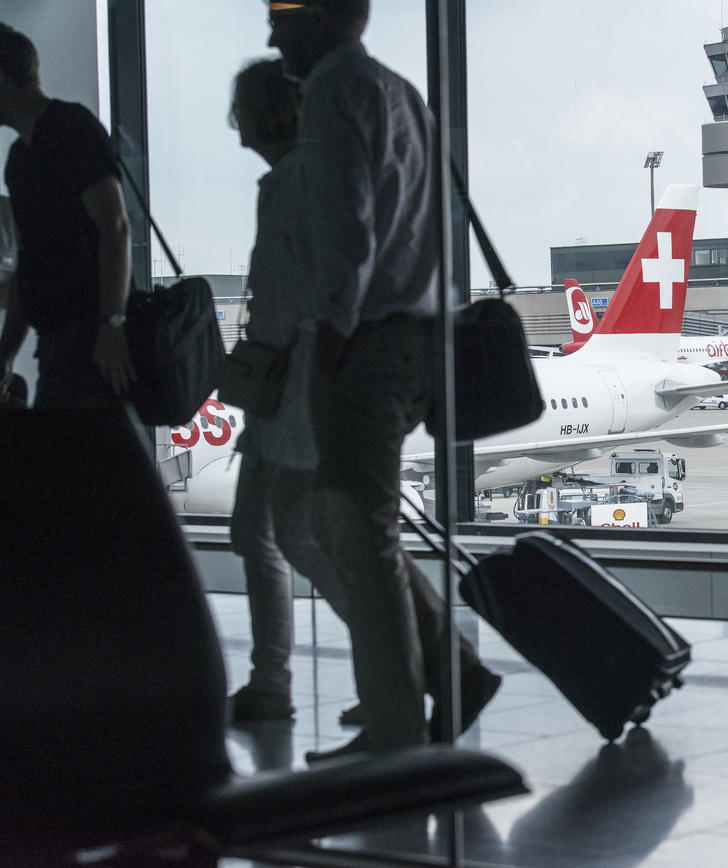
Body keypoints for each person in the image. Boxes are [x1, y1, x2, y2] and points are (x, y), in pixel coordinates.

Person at [267, 0, 500, 755]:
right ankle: (455, 674)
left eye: (283, 14)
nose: (272, 34)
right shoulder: (402, 91)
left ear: (329, 19)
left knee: (352, 534)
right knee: (367, 530)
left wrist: (331, 336)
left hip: (364, 342)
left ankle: (398, 725)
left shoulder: (334, 93)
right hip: (417, 338)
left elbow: (349, 231)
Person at [225, 58, 353, 724]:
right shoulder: (283, 183)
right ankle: (270, 682)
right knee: (258, 532)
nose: (234, 123)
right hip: (278, 385)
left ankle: (388, 654)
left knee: (290, 536)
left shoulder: (297, 184)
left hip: (292, 385)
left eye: (240, 110)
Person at [0, 22, 134, 408]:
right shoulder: (20, 159)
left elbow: (116, 227)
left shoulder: (69, 129)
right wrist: (7, 353)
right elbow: (30, 264)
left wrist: (112, 326)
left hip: (91, 347)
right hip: (65, 346)